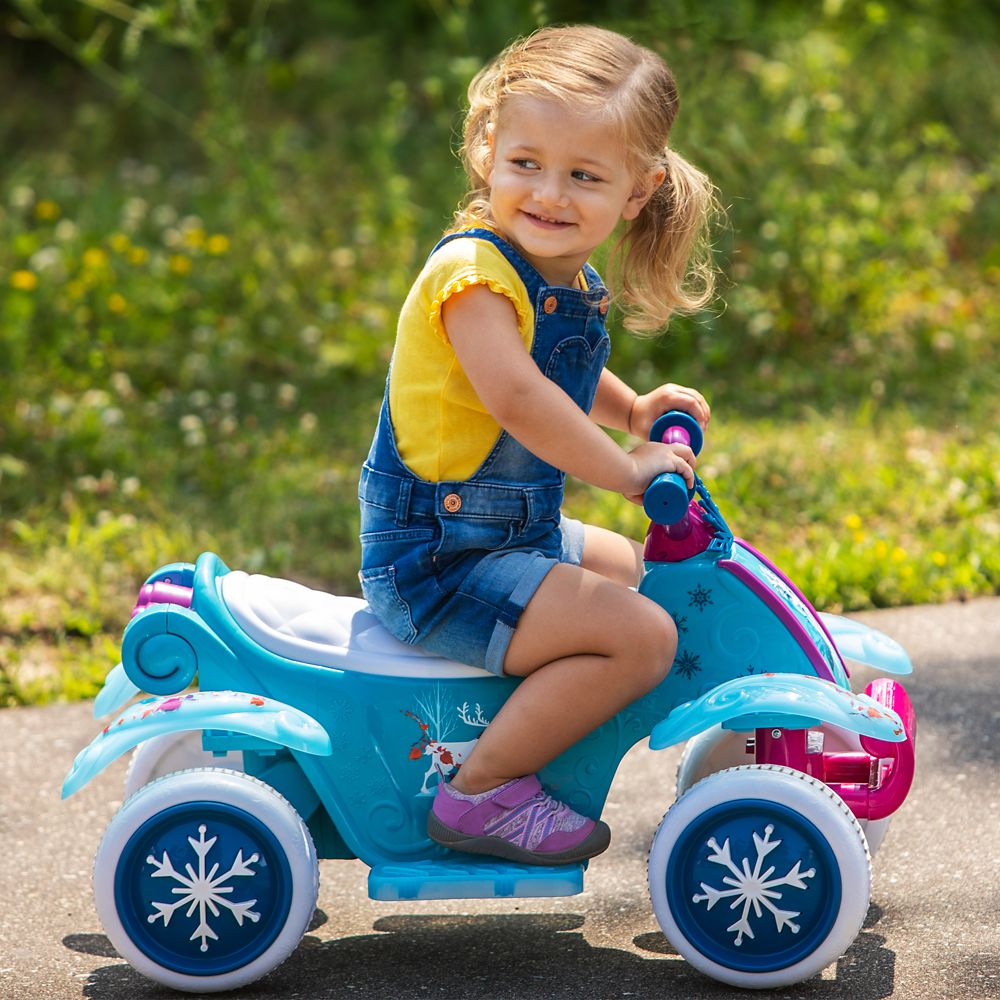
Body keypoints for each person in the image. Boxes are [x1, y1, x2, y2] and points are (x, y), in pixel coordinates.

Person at [358, 24, 716, 866]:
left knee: (642, 574)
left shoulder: (559, 275)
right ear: (488, 151)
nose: (550, 194)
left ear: (639, 189)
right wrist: (628, 469)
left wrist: (633, 411)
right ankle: (478, 789)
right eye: (527, 164)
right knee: (645, 637)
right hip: (438, 559)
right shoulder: (473, 279)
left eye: (584, 175)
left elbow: (561, 370)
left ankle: (537, 723)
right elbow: (520, 398)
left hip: (499, 538)